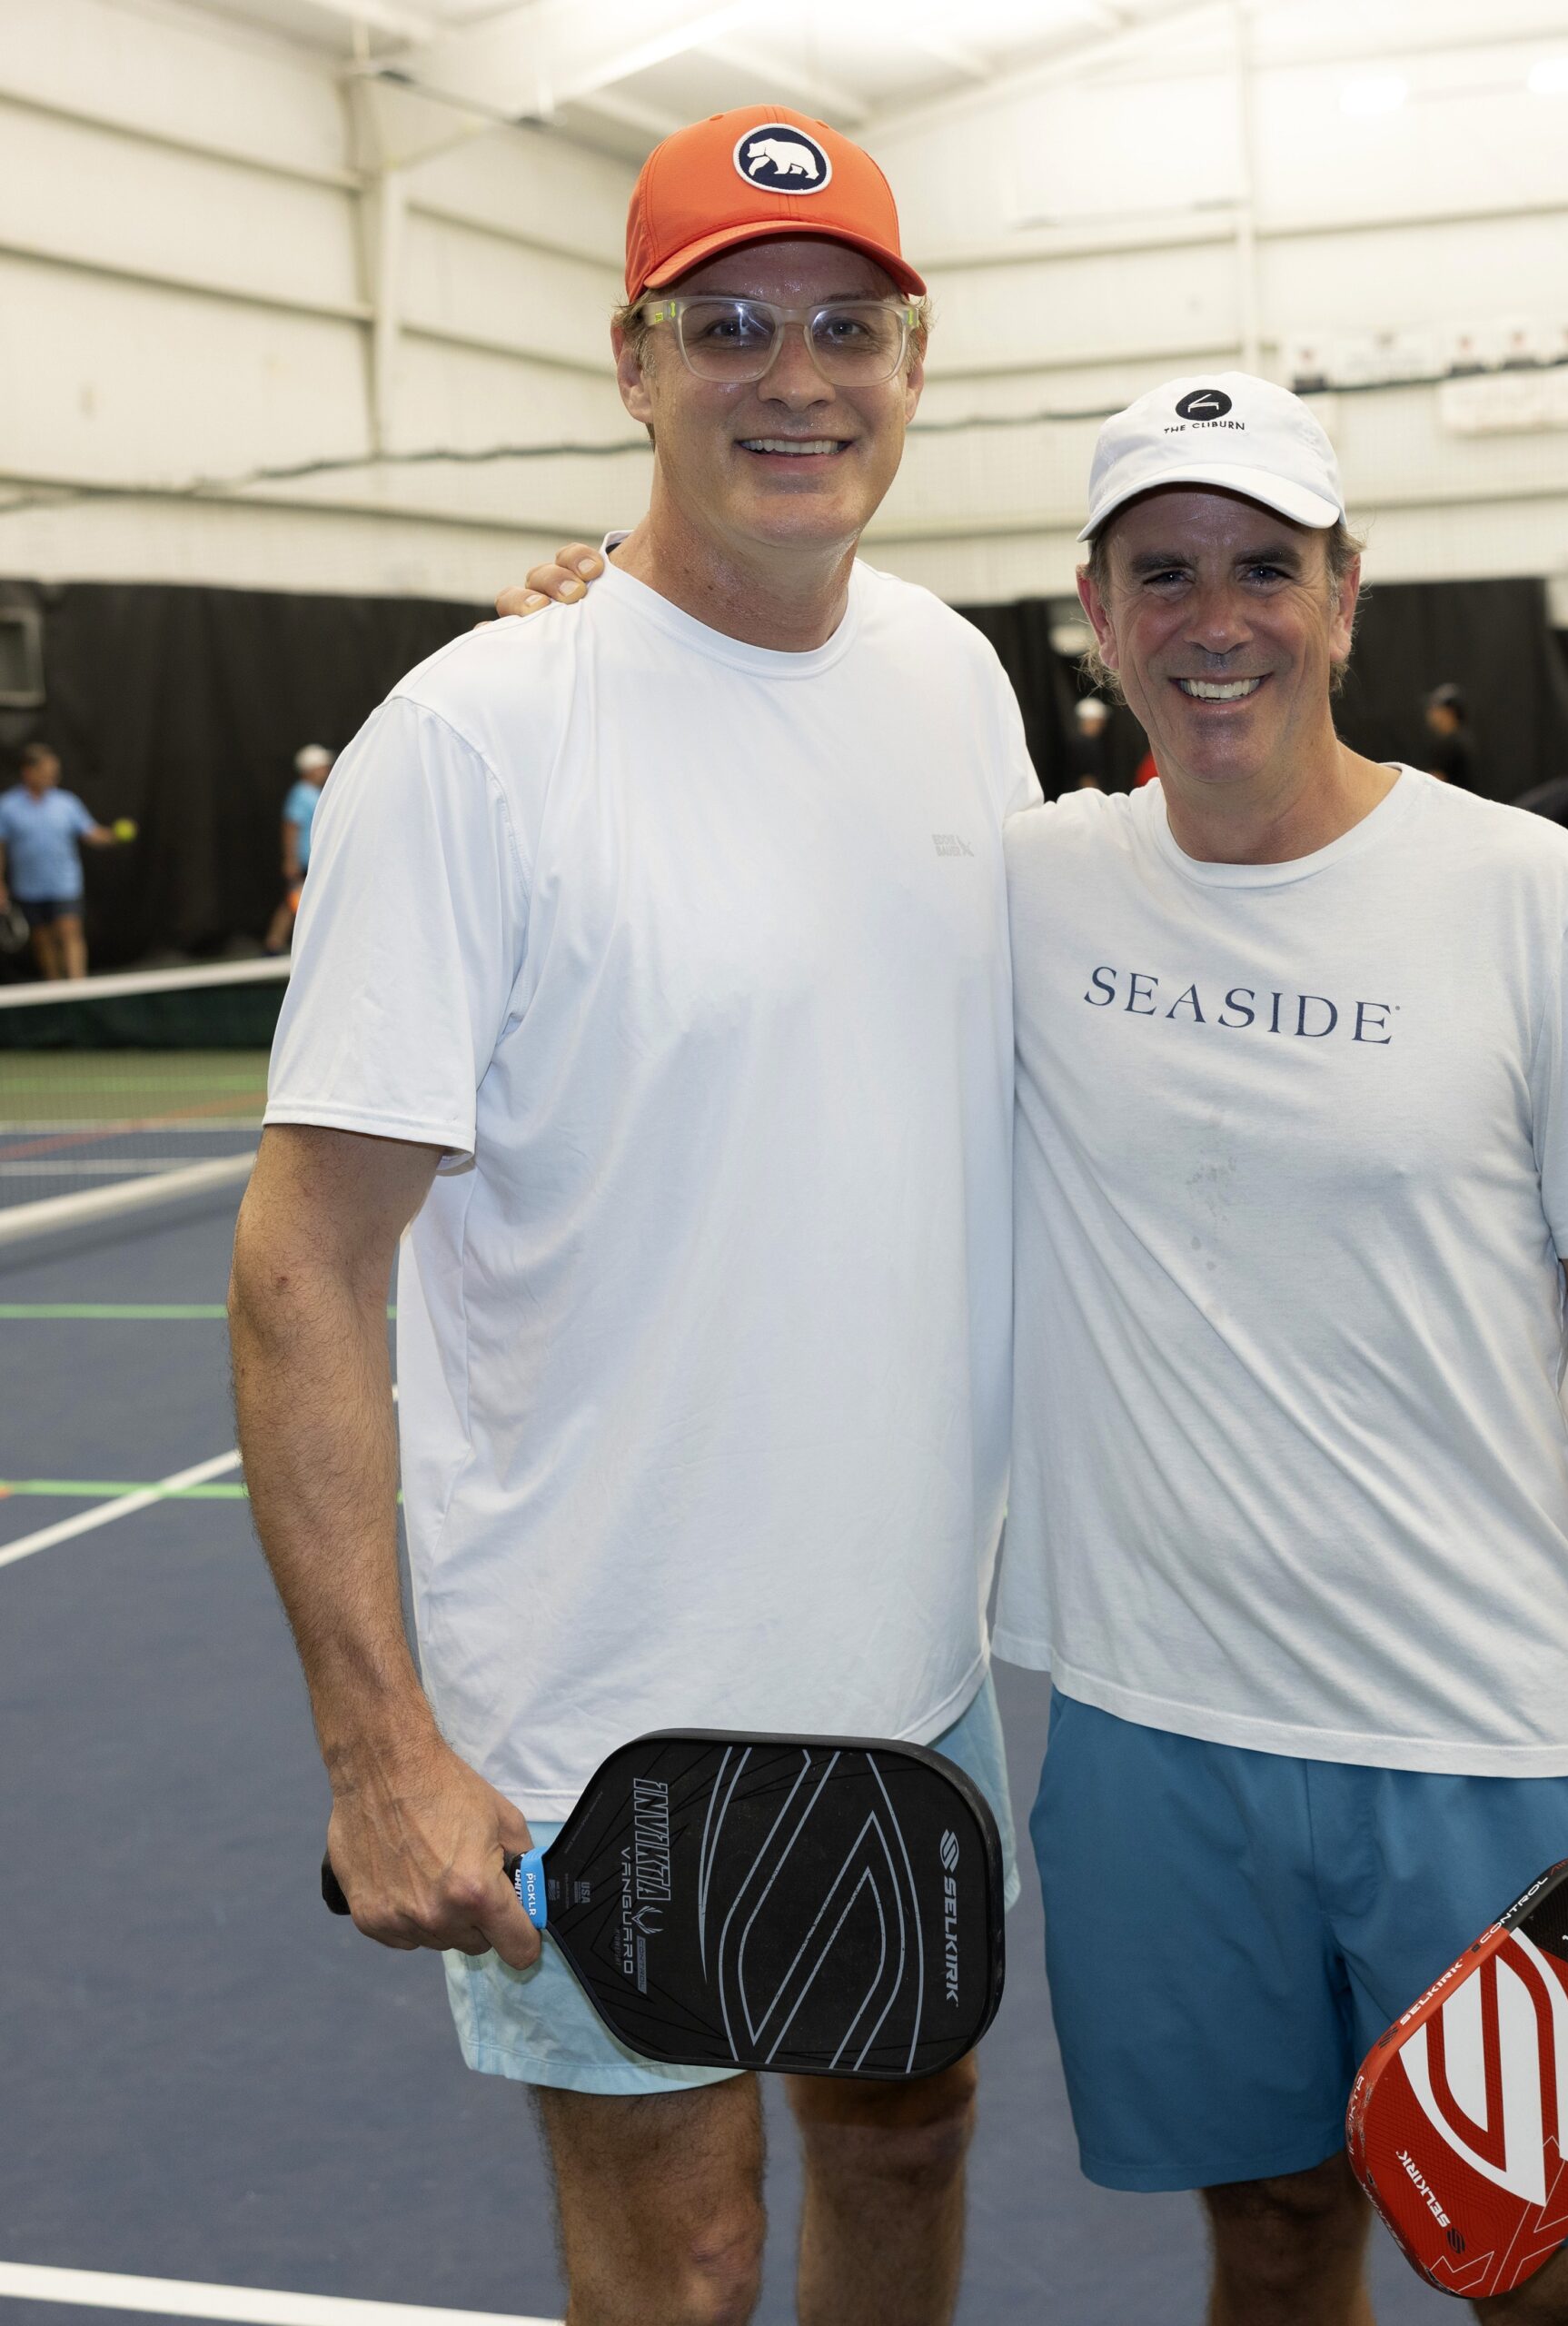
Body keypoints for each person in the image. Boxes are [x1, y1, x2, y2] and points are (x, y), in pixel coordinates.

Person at [229, 106, 1036, 2326]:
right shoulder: (473, 736)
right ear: (633, 361)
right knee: (681, 2257)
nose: (796, 377)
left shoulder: (954, 679)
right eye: (731, 326)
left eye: (845, 328)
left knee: (910, 2130)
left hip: (910, 1661)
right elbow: (303, 1261)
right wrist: (378, 1744)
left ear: (913, 358)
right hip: (600, 1701)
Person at [995, 376, 1568, 2326]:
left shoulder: (1526, 896)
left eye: (1265, 568)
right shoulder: (1020, 888)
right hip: (1150, 1735)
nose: (1216, 620)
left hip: (1472, 1735)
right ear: (1095, 613)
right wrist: (606, 612)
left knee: (1564, 2276)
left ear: (1346, 595)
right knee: (1274, 2235)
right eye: (1164, 572)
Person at [0, 741, 132, 981]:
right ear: (28, 772)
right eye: (46, 772)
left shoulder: (67, 803)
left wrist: (113, 836)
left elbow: (91, 833)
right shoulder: (7, 807)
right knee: (43, 940)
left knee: (70, 932)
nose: (52, 777)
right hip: (28, 887)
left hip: (64, 884)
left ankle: (77, 988)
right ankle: (55, 988)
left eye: (54, 772)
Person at [263, 744, 331, 955]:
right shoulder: (301, 794)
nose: (326, 770)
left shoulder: (314, 793)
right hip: (305, 860)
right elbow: (291, 826)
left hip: (316, 859)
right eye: (322, 767)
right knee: (294, 900)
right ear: (309, 769)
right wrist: (290, 859)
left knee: (302, 900)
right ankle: (274, 943)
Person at [1423, 681, 1476, 787]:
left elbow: (1433, 784)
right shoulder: (1463, 739)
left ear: (1449, 712)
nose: (1430, 713)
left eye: (1435, 709)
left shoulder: (1450, 744)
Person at [1067, 692, 1112, 790]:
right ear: (1088, 721)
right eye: (1099, 721)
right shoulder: (1084, 745)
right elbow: (1086, 778)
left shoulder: (1083, 742)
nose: (1102, 725)